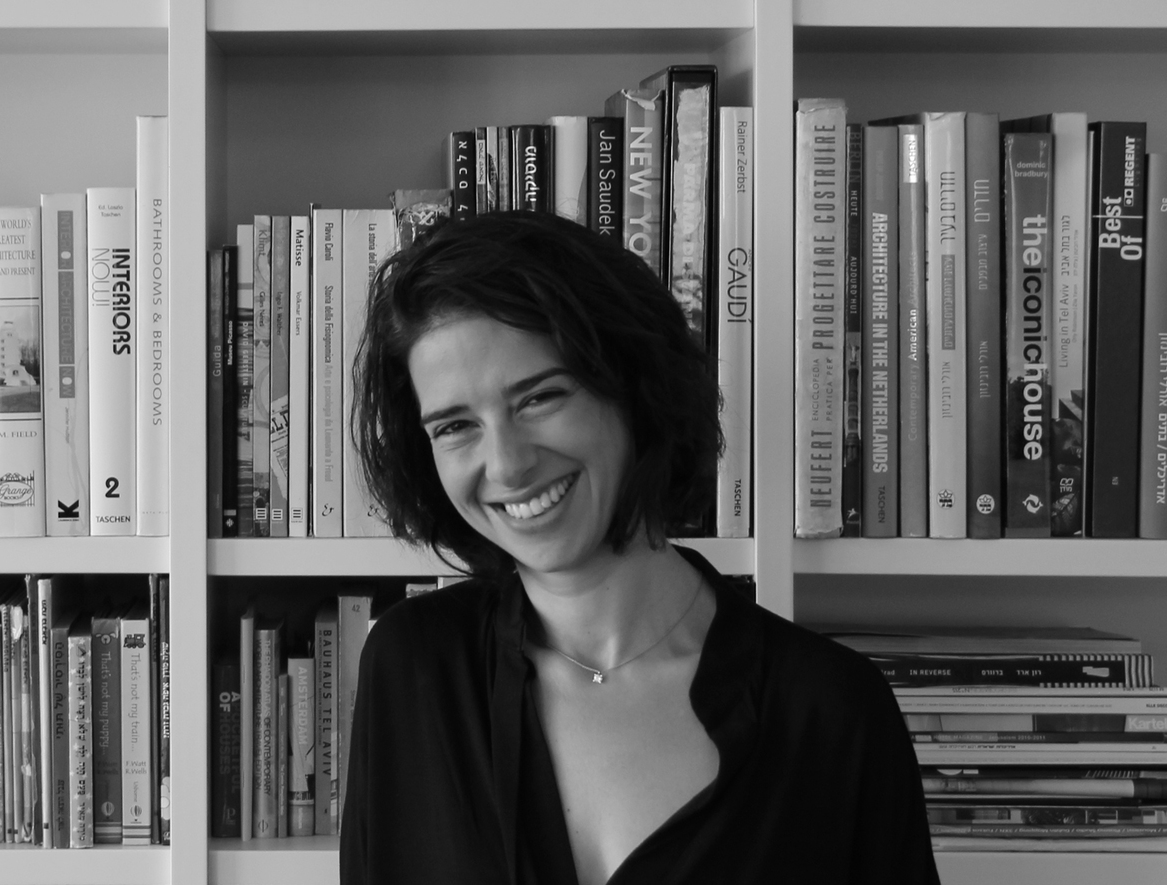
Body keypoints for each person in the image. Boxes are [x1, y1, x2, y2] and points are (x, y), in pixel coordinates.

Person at [340, 212, 937, 885]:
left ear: (632, 388)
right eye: (455, 426)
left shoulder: (833, 710)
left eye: (539, 397)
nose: (505, 464)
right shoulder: (410, 669)